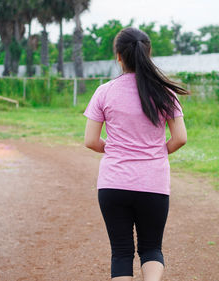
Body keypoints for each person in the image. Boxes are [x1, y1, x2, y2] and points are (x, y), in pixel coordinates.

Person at [83, 27, 188, 281]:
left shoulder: (104, 91)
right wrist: (155, 152)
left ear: (118, 56)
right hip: (153, 183)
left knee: (121, 253)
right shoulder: (165, 92)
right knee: (151, 248)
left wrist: (117, 149)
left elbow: (90, 141)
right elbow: (180, 138)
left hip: (113, 184)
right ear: (147, 53)